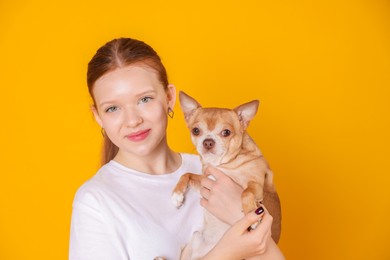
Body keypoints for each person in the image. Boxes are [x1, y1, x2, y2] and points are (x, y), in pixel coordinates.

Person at [69, 37, 284, 260]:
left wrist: (239, 213)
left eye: (145, 99)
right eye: (112, 108)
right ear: (98, 117)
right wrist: (225, 252)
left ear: (170, 97)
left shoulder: (215, 169)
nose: (132, 120)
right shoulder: (95, 201)